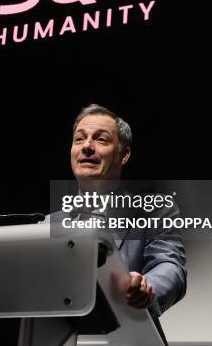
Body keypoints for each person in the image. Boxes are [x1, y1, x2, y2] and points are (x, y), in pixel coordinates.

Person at [69, 103, 187, 318]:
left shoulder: (154, 211)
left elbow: (170, 266)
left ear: (123, 155)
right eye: (79, 139)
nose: (87, 146)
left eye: (100, 139)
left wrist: (146, 287)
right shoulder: (46, 225)